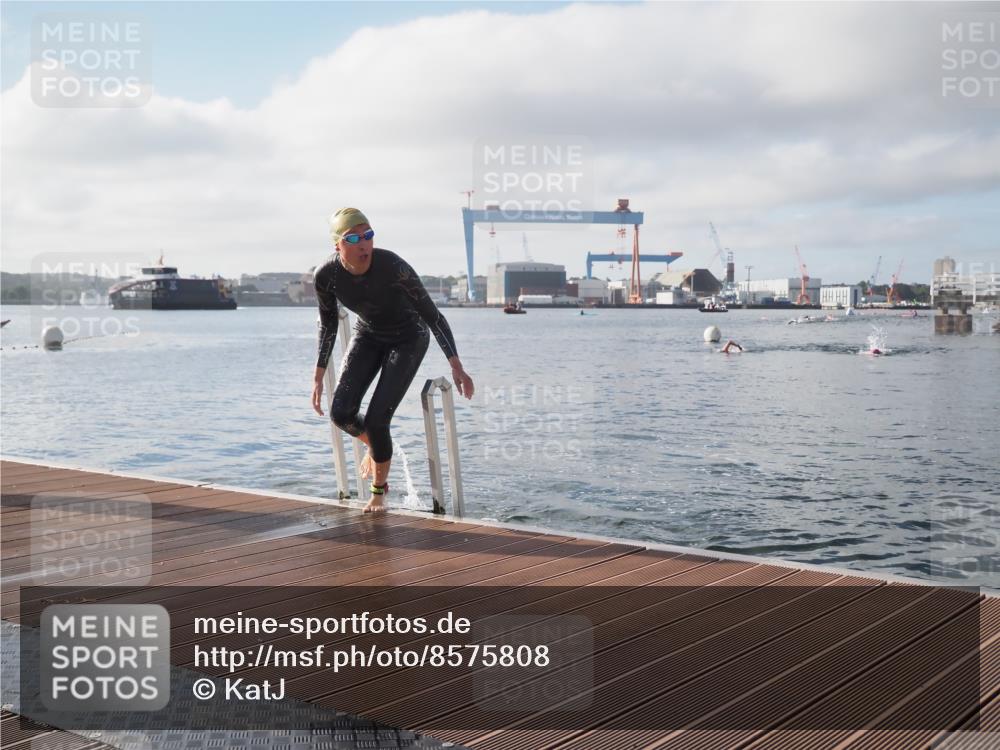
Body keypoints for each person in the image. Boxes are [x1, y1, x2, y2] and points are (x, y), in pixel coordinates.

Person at [311, 208, 474, 513]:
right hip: (369, 333)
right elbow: (329, 323)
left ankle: (378, 492)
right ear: (338, 245)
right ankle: (376, 445)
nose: (364, 245)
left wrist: (456, 366)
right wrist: (319, 374)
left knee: (376, 420)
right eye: (354, 238)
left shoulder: (393, 267)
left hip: (409, 336)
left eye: (369, 235)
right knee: (341, 412)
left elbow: (433, 317)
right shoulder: (326, 275)